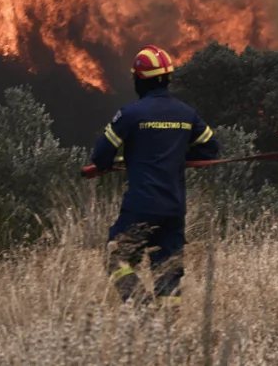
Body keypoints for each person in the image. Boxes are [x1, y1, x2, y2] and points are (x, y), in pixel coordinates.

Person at [90, 44, 220, 308]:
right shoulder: (186, 113)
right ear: (168, 78)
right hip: (174, 209)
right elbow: (210, 150)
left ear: (139, 79)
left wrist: (128, 158)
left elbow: (101, 156)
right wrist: (176, 154)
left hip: (141, 206)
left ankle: (141, 307)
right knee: (168, 275)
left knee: (115, 257)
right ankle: (167, 336)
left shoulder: (130, 115)